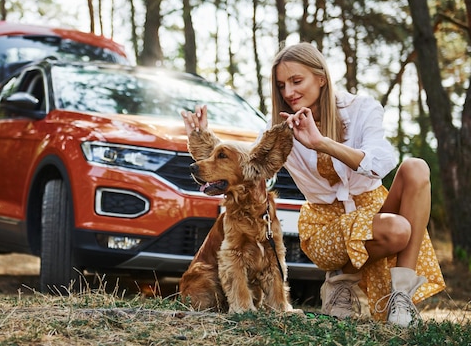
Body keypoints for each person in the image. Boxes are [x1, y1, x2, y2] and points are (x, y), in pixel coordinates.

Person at [181, 42, 445, 327]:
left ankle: (401, 301)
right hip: (324, 225)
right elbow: (246, 164)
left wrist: (321, 143)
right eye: (282, 85)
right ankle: (341, 280)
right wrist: (200, 138)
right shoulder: (283, 130)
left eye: (297, 81)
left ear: (321, 78)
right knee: (397, 228)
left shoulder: (362, 109)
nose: (289, 93)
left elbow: (381, 162)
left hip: (371, 209)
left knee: (416, 167)